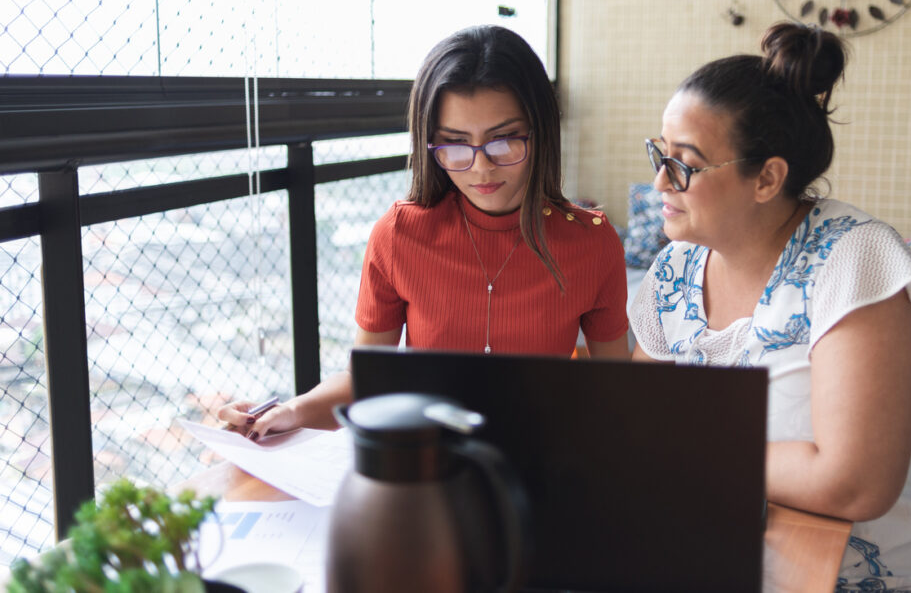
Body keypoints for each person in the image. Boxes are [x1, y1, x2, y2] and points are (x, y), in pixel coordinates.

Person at [629, 22, 911, 591]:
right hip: (731, 551)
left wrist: (691, 453)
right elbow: (638, 424)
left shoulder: (853, 260)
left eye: (685, 163)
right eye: (659, 153)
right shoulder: (675, 269)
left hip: (883, 576)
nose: (659, 182)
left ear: (767, 178)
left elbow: (853, 483)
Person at [219, 25, 629, 440]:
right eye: (454, 143)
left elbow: (617, 392)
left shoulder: (592, 241)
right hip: (428, 462)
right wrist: (290, 411)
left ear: (541, 132)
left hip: (541, 457)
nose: (482, 167)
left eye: (504, 140)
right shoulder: (399, 235)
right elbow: (365, 382)